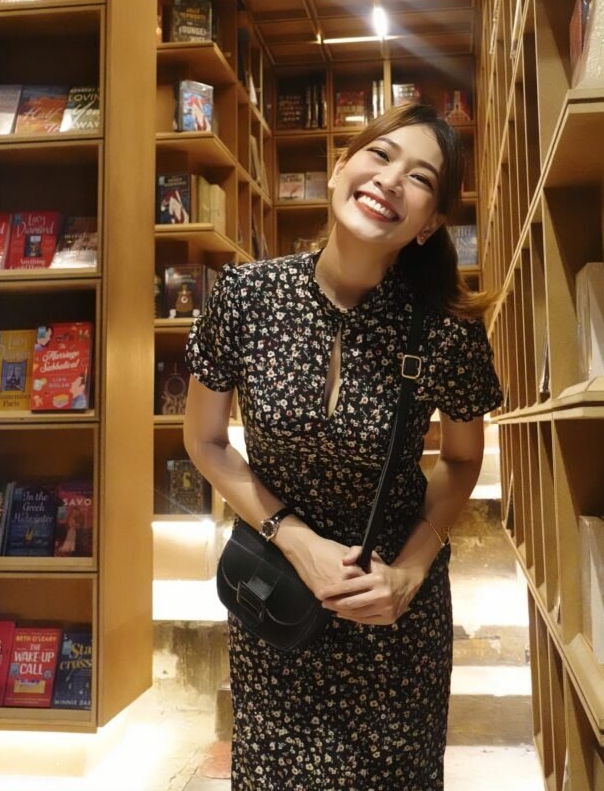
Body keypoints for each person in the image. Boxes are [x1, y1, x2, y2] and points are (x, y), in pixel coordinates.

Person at [183, 103, 502, 790]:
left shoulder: (445, 328)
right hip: (278, 600)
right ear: (338, 171)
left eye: (420, 178)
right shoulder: (245, 296)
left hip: (392, 620)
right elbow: (204, 441)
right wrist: (295, 540)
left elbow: (461, 459)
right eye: (380, 155)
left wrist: (409, 573)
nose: (390, 180)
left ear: (429, 223)